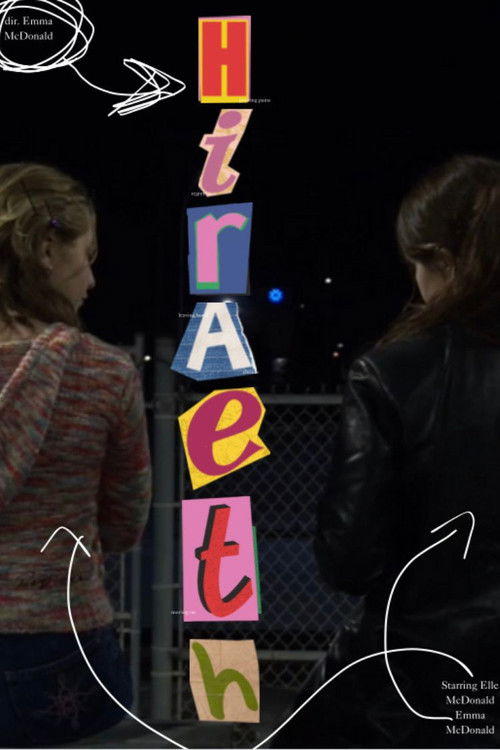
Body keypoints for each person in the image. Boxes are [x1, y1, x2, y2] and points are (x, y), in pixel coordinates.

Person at [275, 154, 500, 748]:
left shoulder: (394, 372)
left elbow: (349, 561)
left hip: (416, 686)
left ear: (444, 261)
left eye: (416, 265)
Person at [0, 162, 152, 747]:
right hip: (60, 645)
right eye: (86, 257)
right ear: (46, 250)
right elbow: (125, 523)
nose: (90, 279)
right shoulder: (104, 372)